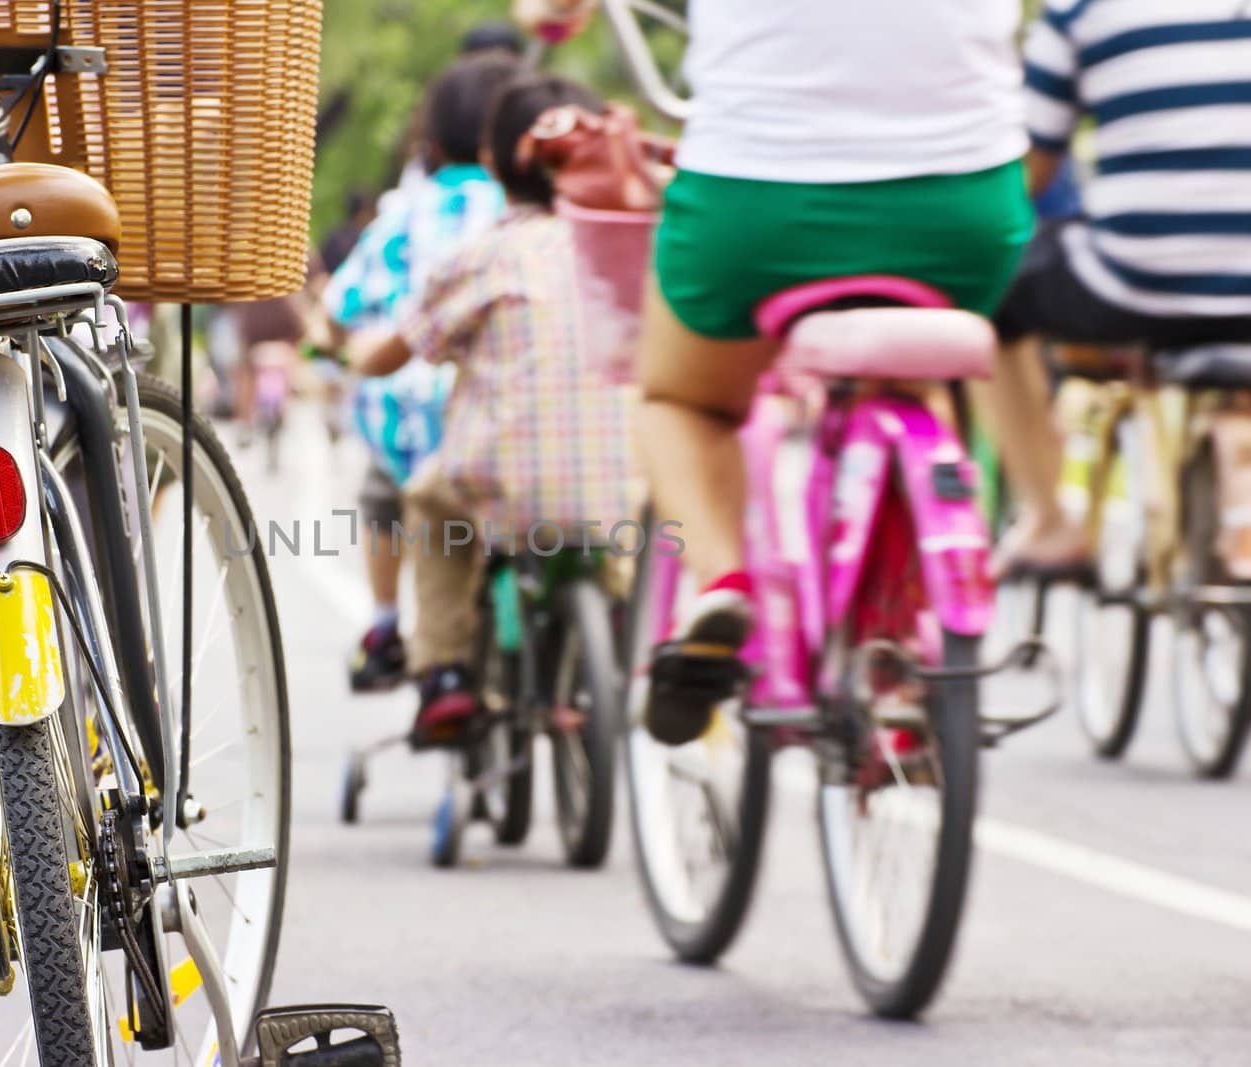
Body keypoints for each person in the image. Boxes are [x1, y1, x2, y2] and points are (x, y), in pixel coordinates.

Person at [529, 0, 1034, 744]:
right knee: (914, 363)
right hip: (965, 209)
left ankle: (724, 586)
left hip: (757, 202)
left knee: (679, 399)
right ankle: (910, 611)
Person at [350, 76, 638, 744]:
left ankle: (446, 671)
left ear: (494, 164)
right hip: (617, 477)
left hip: (504, 480)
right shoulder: (626, 250)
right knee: (622, 503)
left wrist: (357, 354)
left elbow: (395, 351)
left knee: (427, 498)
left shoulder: (484, 255)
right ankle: (620, 614)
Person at [982, 0, 1251, 577]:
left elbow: (1024, 170)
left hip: (1139, 285)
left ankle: (1052, 519)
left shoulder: (1080, 10)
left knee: (990, 295)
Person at [324, 51, 519, 692]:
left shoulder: (405, 211)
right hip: (516, 414)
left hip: (416, 416)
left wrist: (336, 347)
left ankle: (385, 625)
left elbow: (340, 306)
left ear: (430, 140)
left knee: (384, 493)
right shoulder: (526, 208)